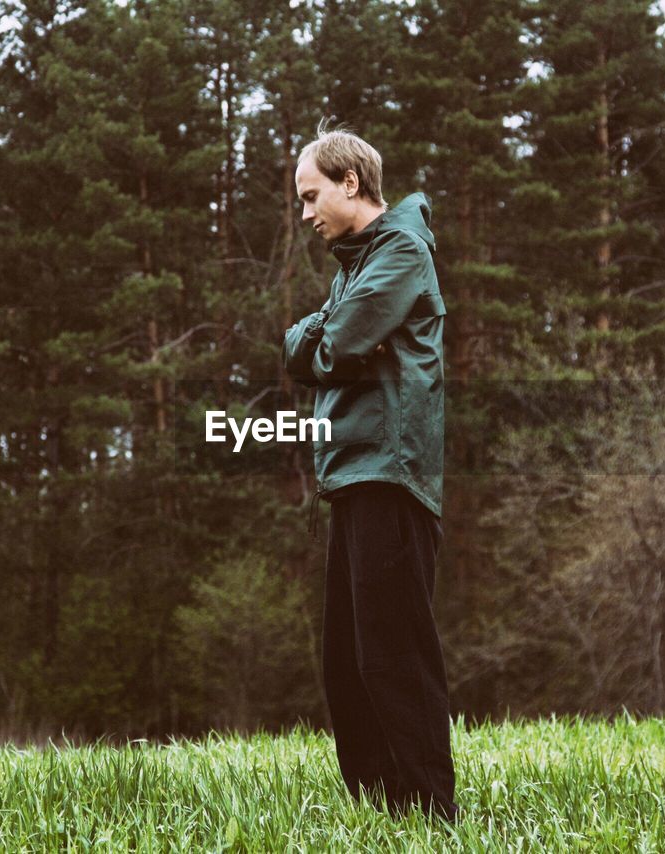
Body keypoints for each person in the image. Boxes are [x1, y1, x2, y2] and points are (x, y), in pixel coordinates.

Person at [282, 119, 458, 824]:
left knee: (393, 655)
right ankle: (383, 812)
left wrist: (323, 337)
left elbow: (336, 344)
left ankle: (429, 814)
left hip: (391, 472)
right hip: (353, 473)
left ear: (350, 183)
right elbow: (304, 348)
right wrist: (318, 336)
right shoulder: (356, 267)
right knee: (348, 661)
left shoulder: (403, 251)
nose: (304, 214)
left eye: (310, 195)